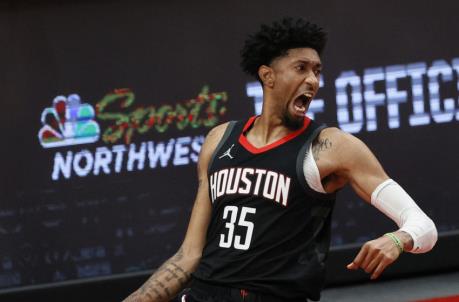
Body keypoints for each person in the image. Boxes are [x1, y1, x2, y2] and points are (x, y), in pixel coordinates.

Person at [123, 17, 437, 302]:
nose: (313, 81)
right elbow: (189, 254)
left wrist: (397, 240)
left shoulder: (332, 147)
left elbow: (423, 226)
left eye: (317, 71)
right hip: (206, 293)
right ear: (268, 76)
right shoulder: (219, 140)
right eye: (301, 68)